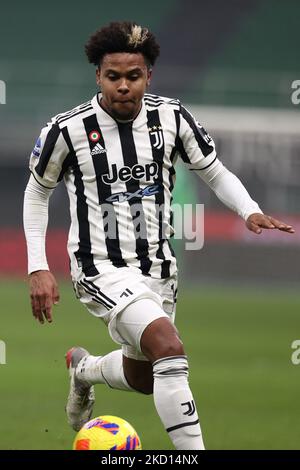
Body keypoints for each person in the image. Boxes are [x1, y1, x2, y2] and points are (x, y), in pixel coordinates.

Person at [23, 21, 294, 450]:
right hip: (100, 268)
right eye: (113, 77)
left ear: (149, 76)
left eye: (134, 76)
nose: (124, 87)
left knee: (147, 377)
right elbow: (38, 191)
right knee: (169, 349)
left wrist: (250, 210)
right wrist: (38, 266)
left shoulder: (172, 117)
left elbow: (214, 171)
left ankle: (85, 370)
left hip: (159, 270)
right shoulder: (67, 130)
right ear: (98, 76)